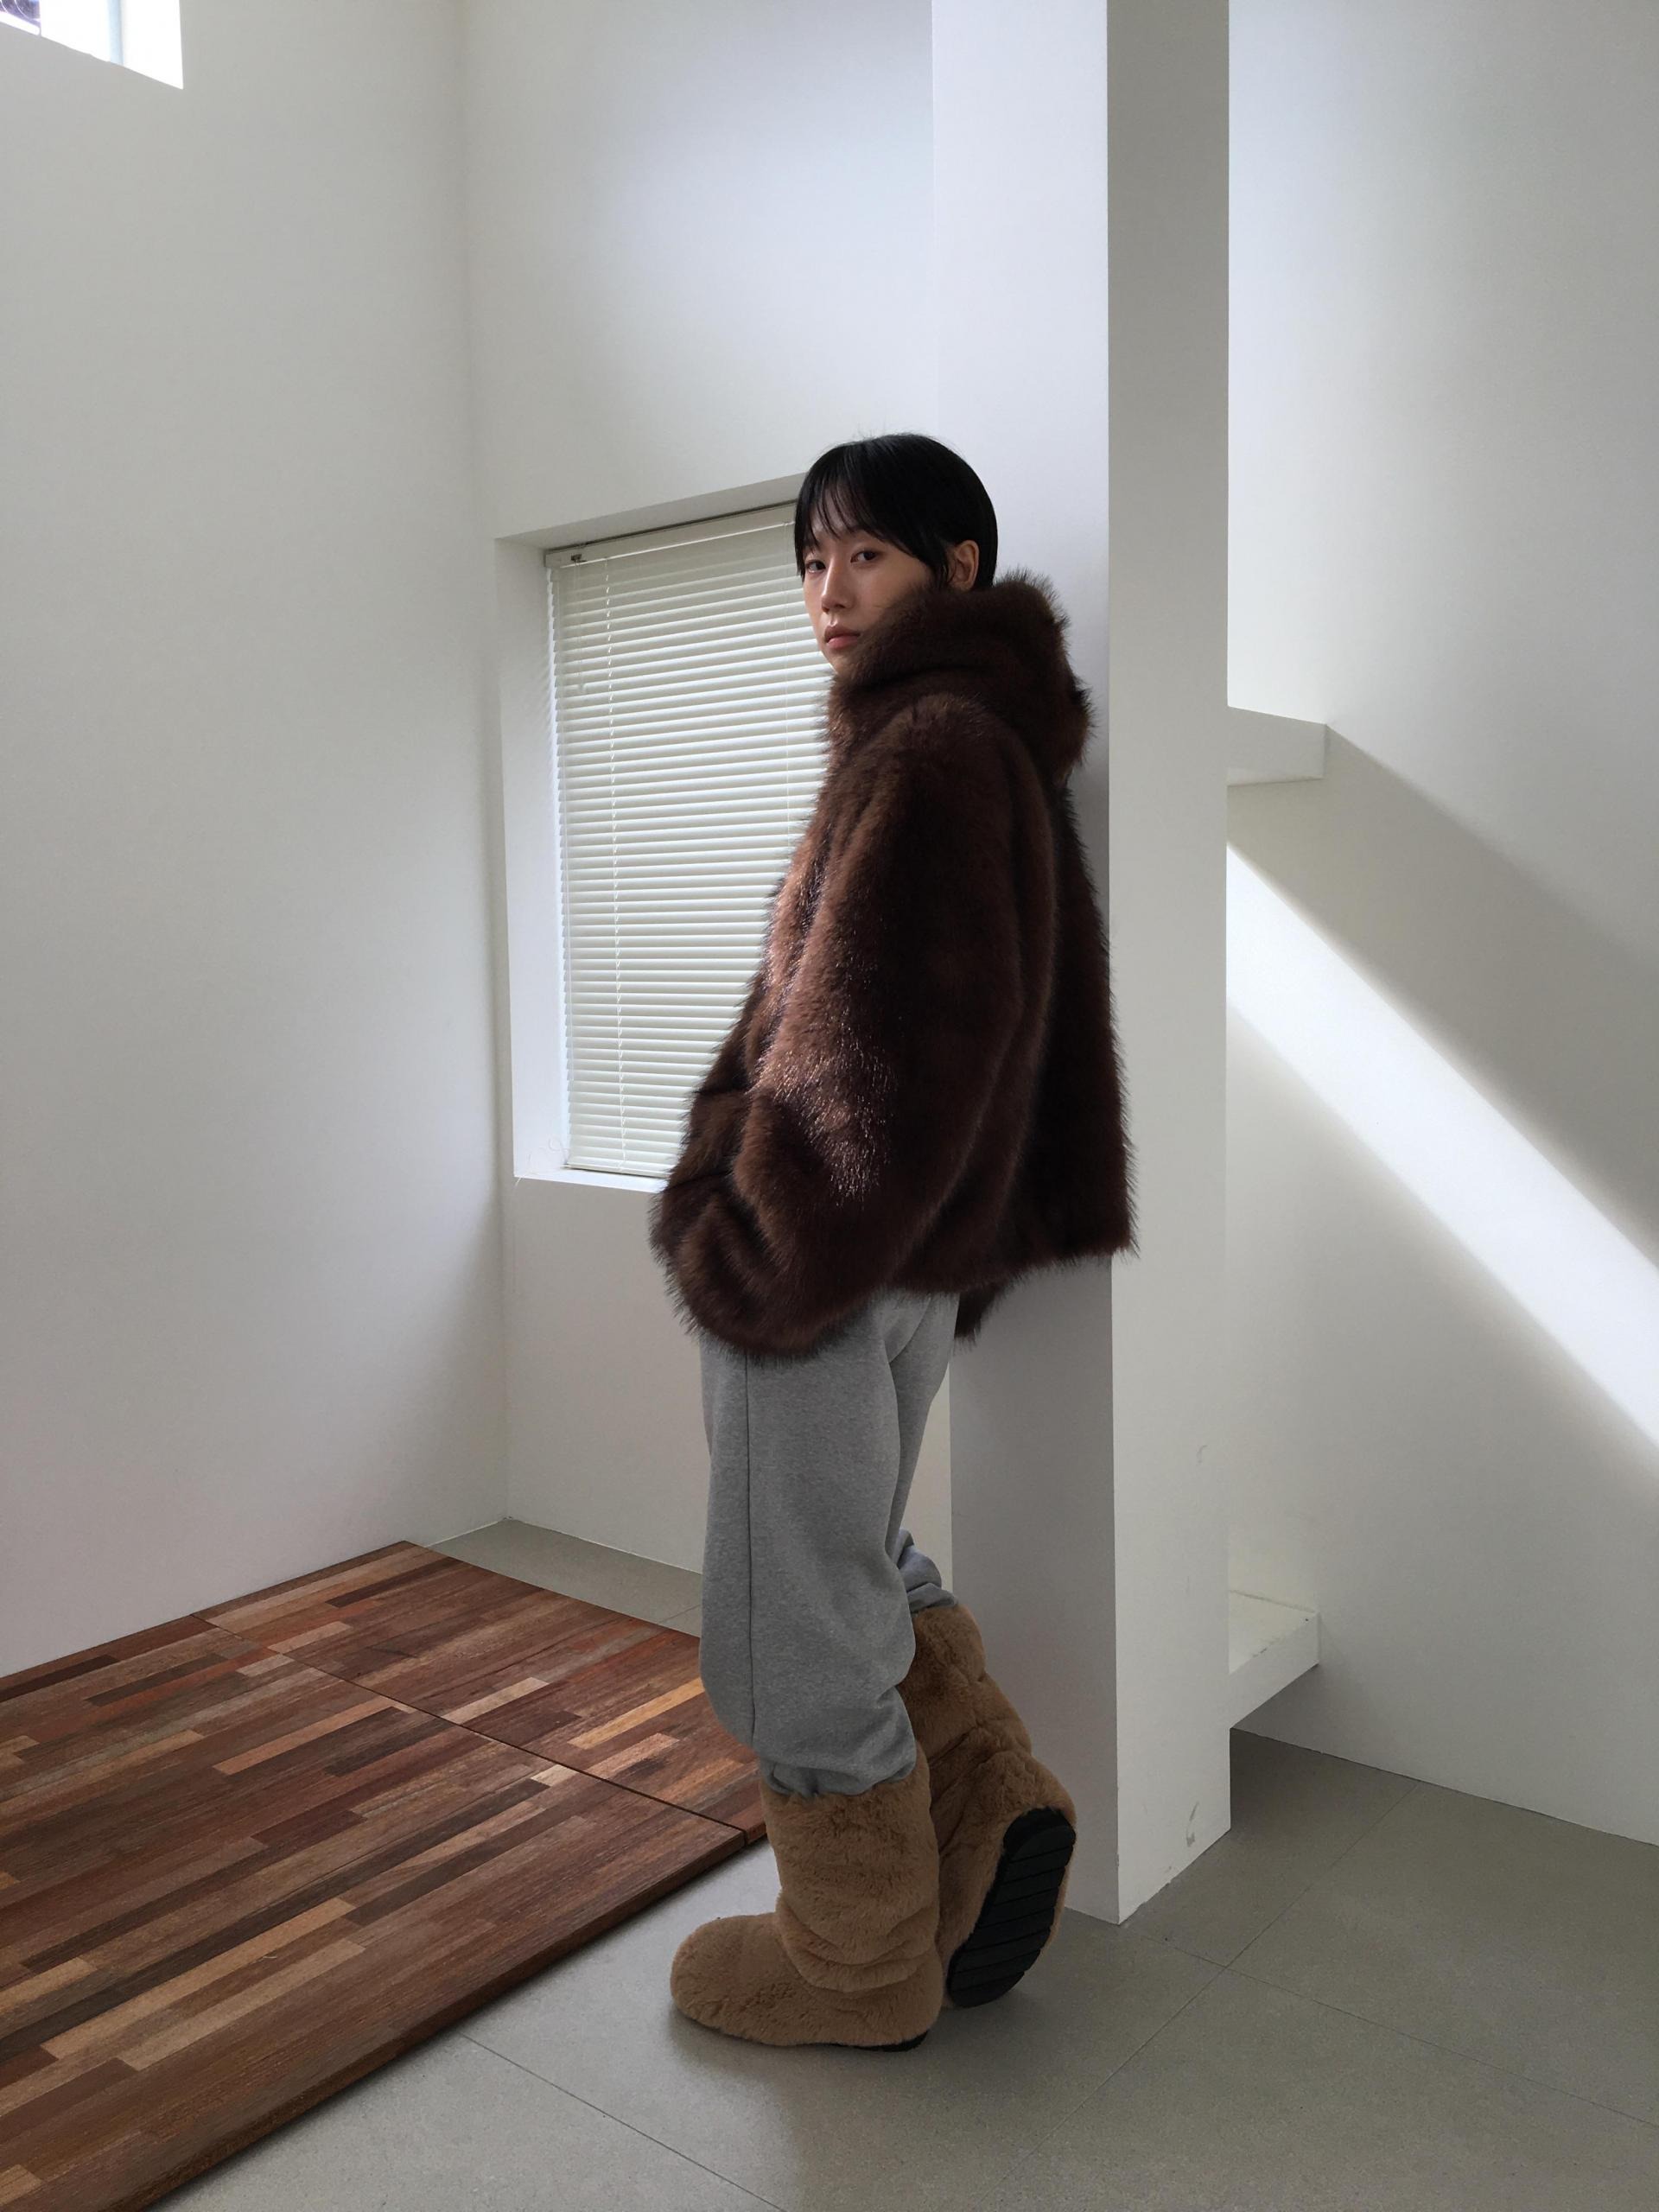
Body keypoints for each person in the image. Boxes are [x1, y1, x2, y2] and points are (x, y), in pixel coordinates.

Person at [648, 432, 1136, 2051]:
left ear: (958, 565)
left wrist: (763, 1241)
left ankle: (853, 1964)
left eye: (864, 554)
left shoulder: (925, 746)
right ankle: (988, 1804)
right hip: (917, 1256)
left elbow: (879, 1046)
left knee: (783, 1618)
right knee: (853, 1553)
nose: (827, 590)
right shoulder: (987, 735)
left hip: (830, 1262)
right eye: (810, 559)